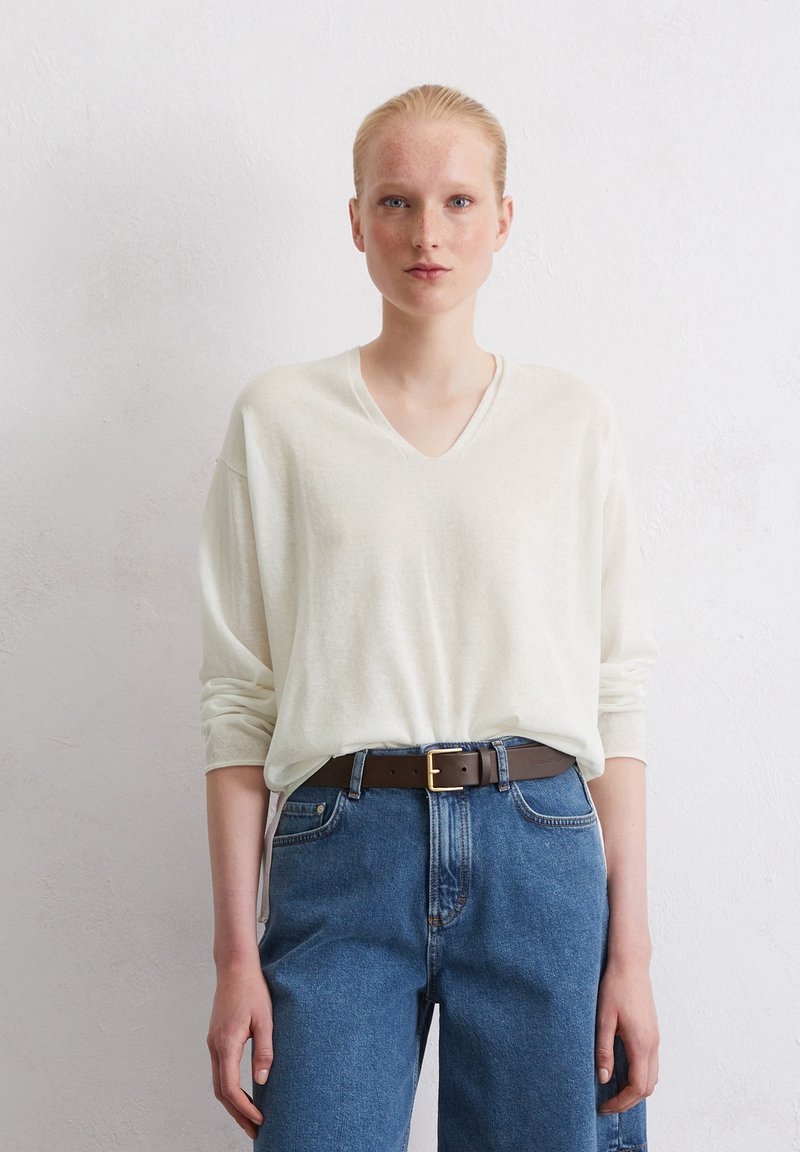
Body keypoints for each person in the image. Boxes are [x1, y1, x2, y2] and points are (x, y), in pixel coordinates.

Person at [198, 83, 660, 1152]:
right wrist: (233, 959)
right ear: (356, 220)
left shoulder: (570, 420)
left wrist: (631, 955)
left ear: (504, 218)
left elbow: (616, 688)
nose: (426, 233)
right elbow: (237, 699)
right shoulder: (279, 420)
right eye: (395, 201)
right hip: (339, 843)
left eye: (458, 201)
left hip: (539, 844)